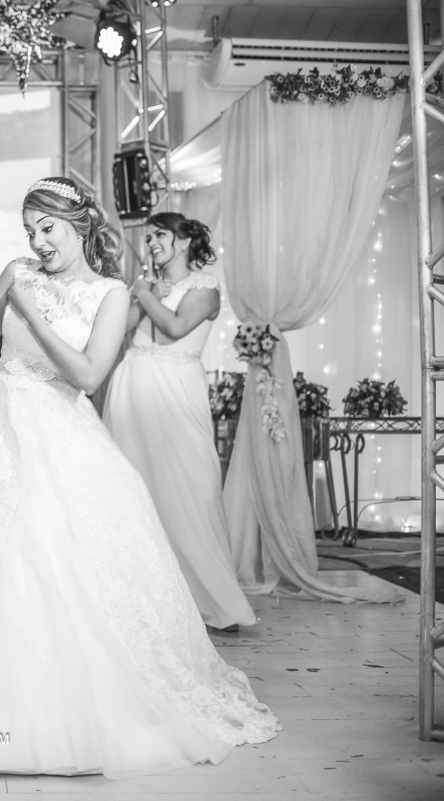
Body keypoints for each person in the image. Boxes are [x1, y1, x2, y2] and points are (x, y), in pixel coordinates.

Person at [0, 179, 279, 777]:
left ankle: (68, 705)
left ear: (80, 225)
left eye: (47, 228)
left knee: (60, 553)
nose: (38, 241)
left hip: (59, 430)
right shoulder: (16, 272)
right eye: (30, 231)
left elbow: (88, 376)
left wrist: (33, 314)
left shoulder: (108, 294)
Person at [103, 213, 257, 632]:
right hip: (132, 384)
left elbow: (173, 328)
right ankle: (146, 598)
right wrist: (141, 296)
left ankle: (210, 600)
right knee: (134, 488)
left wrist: (142, 289)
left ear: (185, 241)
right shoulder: (149, 286)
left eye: (159, 235)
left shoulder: (204, 286)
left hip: (174, 387)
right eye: (148, 236)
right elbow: (124, 332)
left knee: (188, 486)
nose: (150, 242)